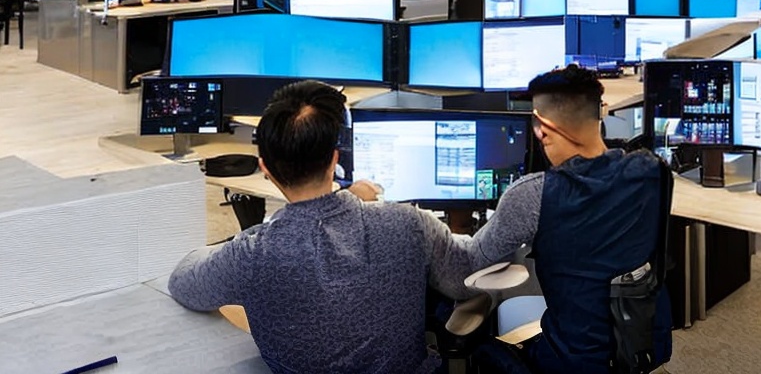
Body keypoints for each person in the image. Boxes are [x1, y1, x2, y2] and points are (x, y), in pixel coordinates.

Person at [167, 80, 476, 374]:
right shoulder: (409, 223)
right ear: (334, 160)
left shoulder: (251, 254)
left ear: (265, 169)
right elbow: (463, 280)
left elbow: (183, 282)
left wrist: (243, 241)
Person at [467, 65, 672, 374]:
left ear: (542, 130)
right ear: (599, 115)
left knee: (474, 340)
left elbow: (472, 261)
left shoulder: (533, 194)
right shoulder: (652, 171)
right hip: (637, 347)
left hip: (569, 362)